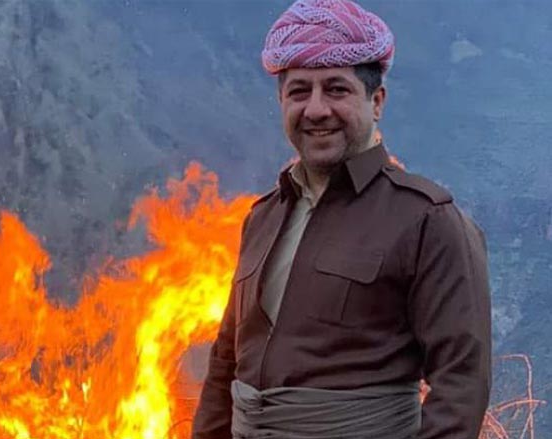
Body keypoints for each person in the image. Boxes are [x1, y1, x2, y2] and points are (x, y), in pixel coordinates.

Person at [191, 1, 492, 438]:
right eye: (299, 92)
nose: (316, 109)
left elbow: (461, 382)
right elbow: (226, 363)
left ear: (377, 101)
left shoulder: (427, 220)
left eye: (336, 89)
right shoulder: (262, 218)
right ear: (281, 102)